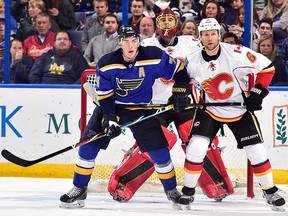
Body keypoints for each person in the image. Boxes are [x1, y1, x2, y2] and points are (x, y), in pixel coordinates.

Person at [108, 8, 235, 203]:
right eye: (162, 20)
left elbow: (211, 59)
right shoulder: (145, 45)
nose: (166, 25)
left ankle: (216, 183)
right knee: (155, 143)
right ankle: (122, 182)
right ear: (156, 24)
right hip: (154, 105)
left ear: (177, 24)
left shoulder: (192, 43)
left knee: (199, 141)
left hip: (186, 103)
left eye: (170, 20)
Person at [59, 24, 190, 209]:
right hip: (113, 108)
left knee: (160, 153)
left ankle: (172, 192)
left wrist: (180, 90)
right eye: (126, 41)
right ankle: (79, 189)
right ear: (119, 43)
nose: (130, 45)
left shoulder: (154, 56)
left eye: (134, 41)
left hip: (141, 109)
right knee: (87, 148)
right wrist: (109, 117)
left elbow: (180, 69)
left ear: (139, 42)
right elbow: (104, 96)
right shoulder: (106, 63)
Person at [181, 18, 286, 211]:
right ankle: (187, 192)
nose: (210, 38)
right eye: (205, 34)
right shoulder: (192, 59)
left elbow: (267, 68)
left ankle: (270, 191)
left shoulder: (237, 53)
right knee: (196, 147)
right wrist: (181, 94)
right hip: (209, 109)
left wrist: (257, 91)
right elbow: (182, 79)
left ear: (218, 35)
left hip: (239, 109)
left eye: (213, 33)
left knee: (256, 150)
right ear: (200, 37)